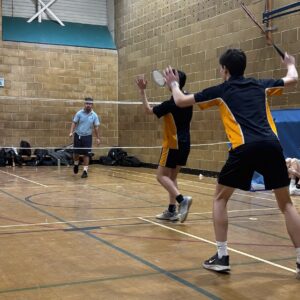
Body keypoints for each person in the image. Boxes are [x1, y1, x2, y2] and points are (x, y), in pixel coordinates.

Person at [163, 48, 300, 278]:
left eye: (220, 67)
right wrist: (290, 63)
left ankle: (222, 256)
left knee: (219, 198)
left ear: (225, 70)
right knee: (286, 204)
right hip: (272, 145)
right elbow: (293, 79)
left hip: (244, 148)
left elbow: (181, 100)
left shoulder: (222, 90)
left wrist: (174, 84)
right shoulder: (260, 85)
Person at [135, 71, 193, 223]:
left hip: (172, 143)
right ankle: (172, 210)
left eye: (170, 77)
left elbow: (148, 110)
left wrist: (142, 91)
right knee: (172, 178)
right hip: (185, 144)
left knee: (161, 176)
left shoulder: (170, 103)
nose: (166, 79)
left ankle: (182, 200)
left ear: (175, 81)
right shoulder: (187, 97)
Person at [69, 97, 100, 178]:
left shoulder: (94, 115)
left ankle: (85, 171)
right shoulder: (79, 113)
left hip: (88, 137)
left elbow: (96, 127)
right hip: (78, 135)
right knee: (76, 153)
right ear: (84, 104)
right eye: (87, 103)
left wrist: (97, 138)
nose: (88, 105)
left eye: (90, 104)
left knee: (86, 154)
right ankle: (76, 164)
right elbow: (74, 123)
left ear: (92, 105)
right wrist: (71, 132)